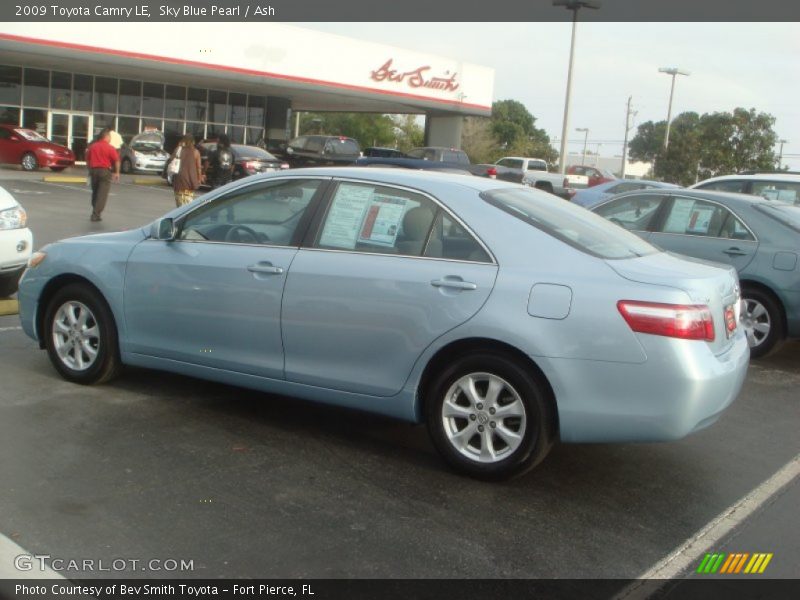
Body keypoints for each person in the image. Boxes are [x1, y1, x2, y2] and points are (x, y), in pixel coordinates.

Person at [85, 128, 120, 221]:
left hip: (94, 171)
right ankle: (95, 214)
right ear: (106, 137)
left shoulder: (92, 147)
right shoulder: (110, 148)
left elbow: (87, 159)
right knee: (102, 194)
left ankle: (96, 211)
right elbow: (116, 160)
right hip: (104, 171)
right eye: (110, 137)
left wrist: (89, 169)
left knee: (95, 192)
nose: (110, 139)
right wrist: (117, 172)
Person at [171, 134, 203, 207]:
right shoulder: (196, 152)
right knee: (187, 206)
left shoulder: (178, 150)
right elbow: (198, 168)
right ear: (193, 142)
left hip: (178, 180)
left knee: (179, 204)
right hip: (189, 180)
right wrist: (199, 179)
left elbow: (171, 160)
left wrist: (179, 146)